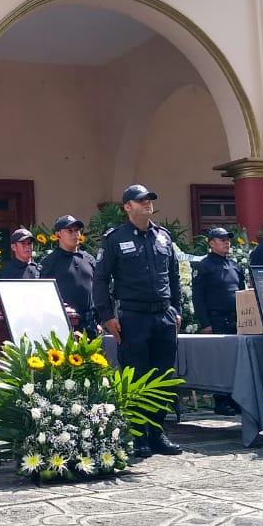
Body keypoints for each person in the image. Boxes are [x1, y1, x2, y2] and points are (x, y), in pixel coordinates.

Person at [92, 184, 183, 458]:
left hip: (163, 315)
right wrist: (107, 316)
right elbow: (100, 280)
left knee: (162, 375)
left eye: (149, 200)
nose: (147, 204)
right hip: (133, 316)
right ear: (127, 207)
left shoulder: (163, 237)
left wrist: (177, 310)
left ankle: (157, 431)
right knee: (137, 375)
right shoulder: (115, 239)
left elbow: (174, 277)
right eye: (140, 200)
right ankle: (138, 433)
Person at [39, 215, 98, 335]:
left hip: (90, 324)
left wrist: (99, 321)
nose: (75, 234)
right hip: (63, 325)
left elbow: (99, 290)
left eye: (77, 230)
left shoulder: (89, 259)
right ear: (58, 234)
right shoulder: (49, 263)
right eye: (70, 230)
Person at [193, 227, 243, 335]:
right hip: (216, 323)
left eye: (228, 240)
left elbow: (243, 292)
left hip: (237, 322)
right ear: (212, 243)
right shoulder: (204, 266)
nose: (227, 243)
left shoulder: (234, 266)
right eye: (222, 240)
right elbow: (198, 297)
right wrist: (205, 324)